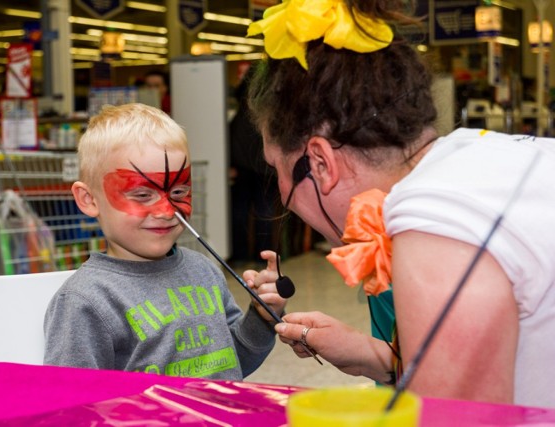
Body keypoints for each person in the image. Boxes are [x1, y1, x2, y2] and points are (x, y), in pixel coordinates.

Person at [242, 0, 555, 409]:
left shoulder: (432, 219)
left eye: (277, 170)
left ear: (318, 162)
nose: (282, 192)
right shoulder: (484, 157)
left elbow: (457, 419)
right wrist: (371, 356)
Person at [43, 103, 286, 380]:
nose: (166, 211)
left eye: (179, 191)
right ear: (89, 200)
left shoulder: (204, 271)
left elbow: (235, 362)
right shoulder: (85, 300)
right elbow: (72, 399)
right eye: (142, 195)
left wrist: (262, 316)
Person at [229, 65, 279, 264]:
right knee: (265, 212)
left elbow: (232, 137)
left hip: (241, 167)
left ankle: (240, 254)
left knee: (239, 211)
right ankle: (263, 255)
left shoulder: (241, 109)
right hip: (265, 168)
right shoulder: (268, 109)